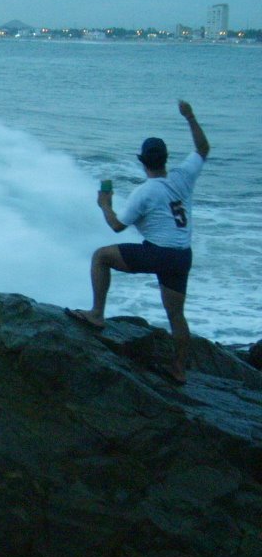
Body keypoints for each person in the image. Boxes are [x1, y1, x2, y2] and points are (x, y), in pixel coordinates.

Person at [68, 100, 210, 384]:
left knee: (100, 257)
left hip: (159, 253)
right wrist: (190, 117)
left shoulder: (145, 193)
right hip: (182, 256)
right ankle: (179, 369)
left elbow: (118, 226)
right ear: (166, 159)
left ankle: (96, 314)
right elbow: (203, 149)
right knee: (176, 315)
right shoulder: (184, 176)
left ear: (142, 161)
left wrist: (104, 204)